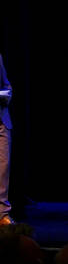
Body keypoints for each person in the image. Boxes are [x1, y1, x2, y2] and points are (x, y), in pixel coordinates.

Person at [0, 53, 11, 226]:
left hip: (1, 121)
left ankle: (2, 214)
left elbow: (6, 86)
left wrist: (4, 95)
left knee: (3, 167)